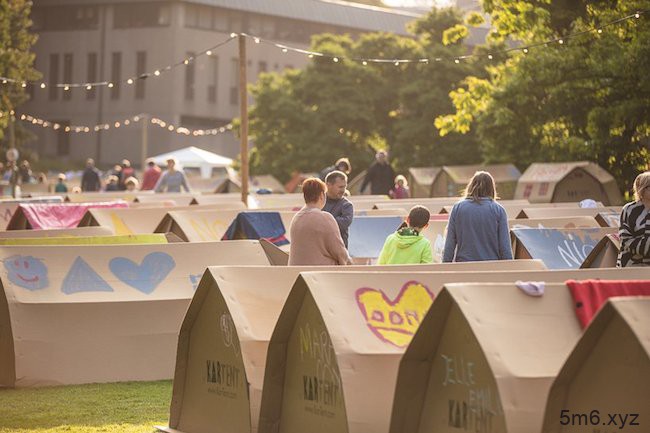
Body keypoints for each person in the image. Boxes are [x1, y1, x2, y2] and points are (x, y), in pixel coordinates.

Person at [442, 171, 512, 262]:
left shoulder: (458, 208)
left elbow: (449, 244)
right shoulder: (499, 210)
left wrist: (445, 266)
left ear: (471, 186)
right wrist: (510, 268)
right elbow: (504, 246)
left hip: (464, 267)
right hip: (491, 267)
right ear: (491, 188)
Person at [288, 177, 352, 266]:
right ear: (322, 195)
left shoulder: (296, 219)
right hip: (321, 275)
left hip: (296, 273)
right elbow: (340, 253)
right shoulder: (325, 218)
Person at [617, 171, 650, 267]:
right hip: (631, 264)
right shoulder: (628, 210)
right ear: (642, 189)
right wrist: (646, 248)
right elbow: (625, 240)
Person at [323, 170, 354, 248]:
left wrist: (322, 220)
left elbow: (343, 224)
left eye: (345, 187)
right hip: (320, 250)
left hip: (339, 252)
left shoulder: (347, 205)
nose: (343, 190)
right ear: (329, 185)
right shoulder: (318, 202)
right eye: (340, 187)